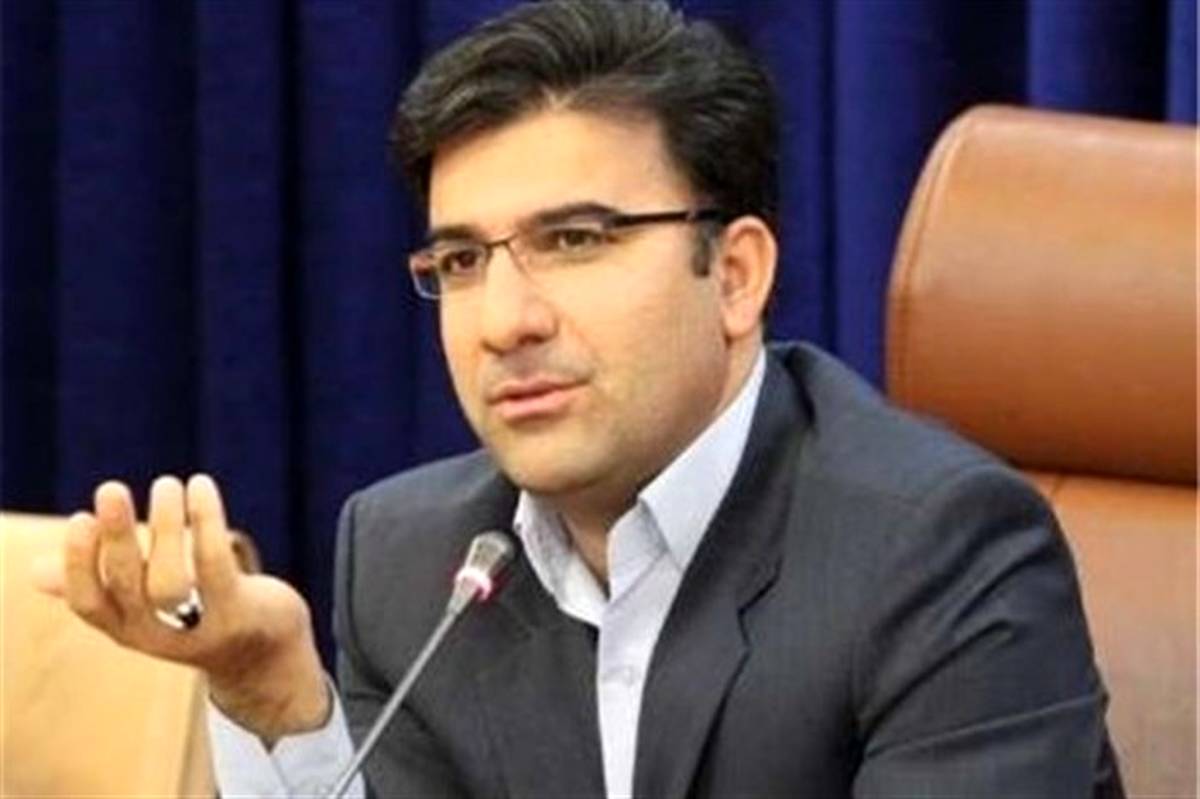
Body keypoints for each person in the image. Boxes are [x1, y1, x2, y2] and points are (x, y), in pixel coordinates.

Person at [38, 1, 1123, 796]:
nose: (505, 319)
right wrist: (272, 693)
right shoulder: (412, 557)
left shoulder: (939, 551)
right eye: (462, 261)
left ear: (735, 275)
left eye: (574, 240)